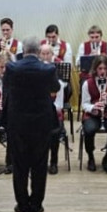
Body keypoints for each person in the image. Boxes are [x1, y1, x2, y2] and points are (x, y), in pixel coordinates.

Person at [2, 37, 60, 212]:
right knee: (39, 165)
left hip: (18, 123)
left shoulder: (12, 68)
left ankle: (22, 204)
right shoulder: (48, 69)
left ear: (24, 50)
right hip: (41, 123)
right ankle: (36, 204)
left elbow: (6, 89)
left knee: (19, 164)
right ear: (38, 51)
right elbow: (55, 87)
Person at [81, 54, 107, 172]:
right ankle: (90, 157)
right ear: (95, 69)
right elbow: (84, 104)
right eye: (100, 69)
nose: (102, 71)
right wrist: (93, 107)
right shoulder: (87, 83)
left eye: (105, 68)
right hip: (93, 115)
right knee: (89, 131)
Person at [40, 44, 66, 175]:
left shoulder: (58, 82)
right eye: (43, 54)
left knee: (54, 132)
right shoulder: (35, 79)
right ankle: (39, 161)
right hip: (39, 114)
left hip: (53, 114)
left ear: (52, 55)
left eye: (48, 54)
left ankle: (54, 162)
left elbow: (59, 105)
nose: (45, 56)